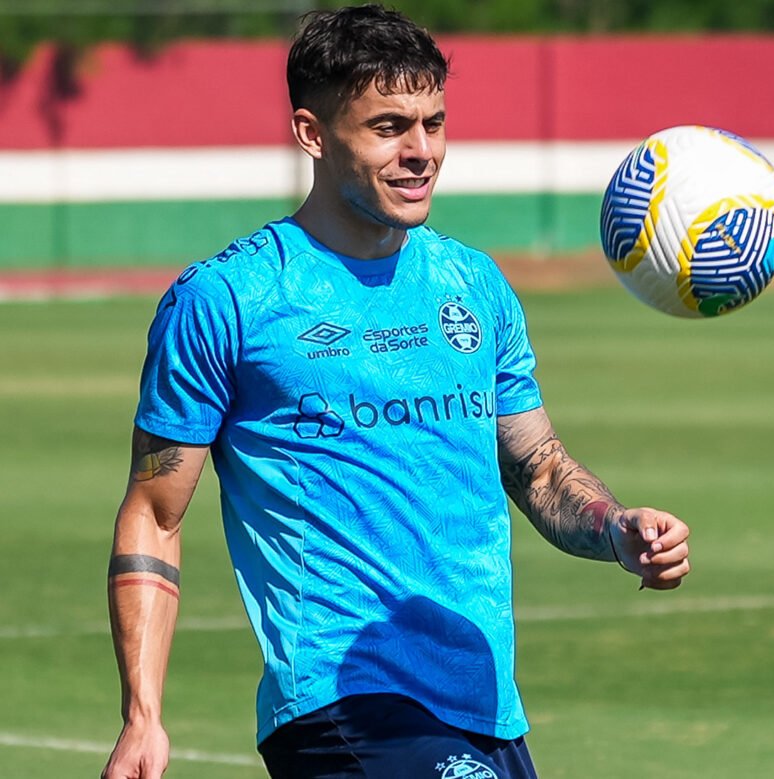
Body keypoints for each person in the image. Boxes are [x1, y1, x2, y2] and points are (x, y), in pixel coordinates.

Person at [101, 5, 691, 778]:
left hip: (484, 700)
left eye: (433, 123)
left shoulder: (472, 283)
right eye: (388, 127)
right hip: (338, 702)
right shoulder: (227, 299)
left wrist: (616, 528)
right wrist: (143, 714)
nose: (421, 152)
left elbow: (540, 467)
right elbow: (155, 511)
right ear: (312, 133)